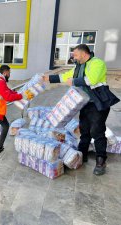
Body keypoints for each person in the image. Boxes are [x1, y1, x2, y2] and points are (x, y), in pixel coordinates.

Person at [43, 44, 119, 176]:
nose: (74, 57)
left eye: (76, 55)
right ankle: (81, 156)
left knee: (97, 131)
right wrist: (48, 78)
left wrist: (74, 81)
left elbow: (91, 79)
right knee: (84, 130)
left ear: (84, 54)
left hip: (98, 102)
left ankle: (101, 161)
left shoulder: (97, 63)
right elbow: (66, 76)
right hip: (85, 102)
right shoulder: (79, 66)